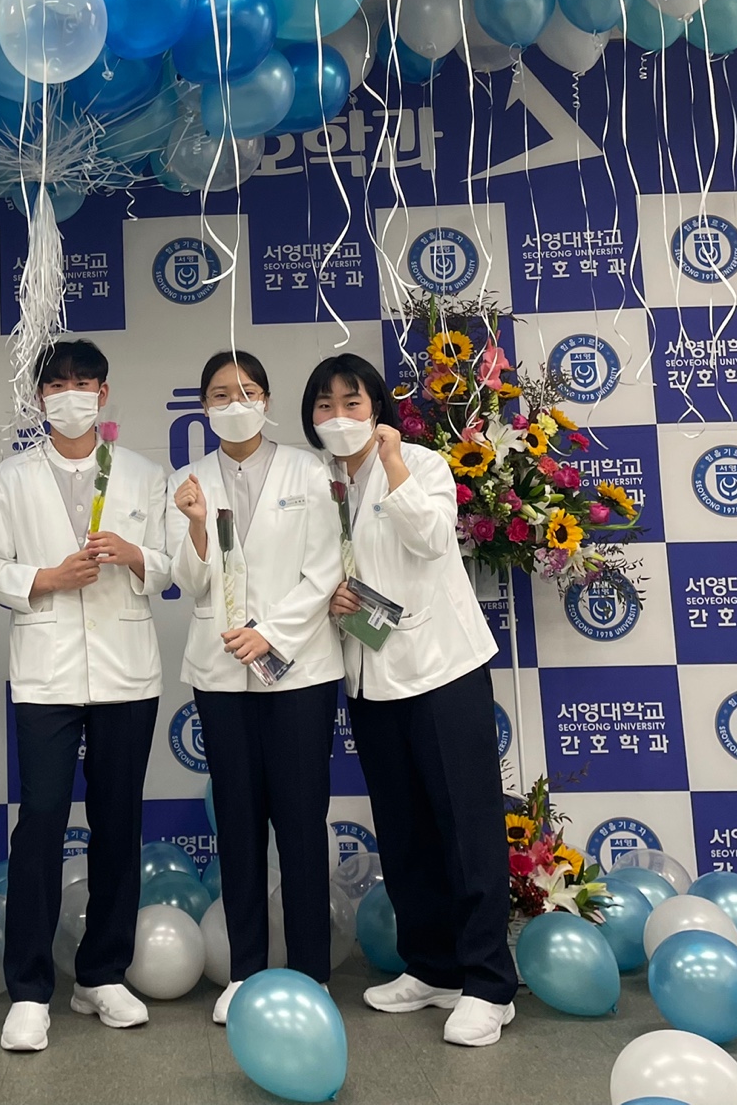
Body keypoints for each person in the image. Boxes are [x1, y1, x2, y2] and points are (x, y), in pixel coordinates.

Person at [302, 353, 517, 1048]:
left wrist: (393, 462)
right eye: (325, 405)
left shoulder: (421, 464)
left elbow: (428, 540)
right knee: (403, 830)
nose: (339, 416)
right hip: (370, 675)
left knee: (466, 827)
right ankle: (432, 967)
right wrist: (333, 601)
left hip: (440, 669)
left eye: (352, 402)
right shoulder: (320, 482)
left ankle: (489, 984)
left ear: (378, 410)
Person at [0, 339, 172, 1052]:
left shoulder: (143, 474)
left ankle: (101, 975)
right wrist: (45, 579)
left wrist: (136, 555)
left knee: (118, 821)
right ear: (40, 398)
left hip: (126, 669)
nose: (71, 395)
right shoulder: (8, 478)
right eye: (58, 384)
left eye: (84, 383)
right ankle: (30, 990)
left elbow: (172, 566)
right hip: (47, 671)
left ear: (104, 392)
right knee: (40, 823)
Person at [167, 349, 345, 1025]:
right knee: (238, 825)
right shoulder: (188, 480)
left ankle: (311, 972)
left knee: (300, 822)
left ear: (266, 400)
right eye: (220, 393)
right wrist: (193, 524)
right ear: (203, 407)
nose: (234, 402)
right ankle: (244, 971)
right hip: (221, 672)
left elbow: (326, 569)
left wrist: (270, 634)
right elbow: (191, 580)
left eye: (246, 391)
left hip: (298, 667)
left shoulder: (310, 470)